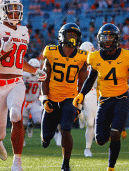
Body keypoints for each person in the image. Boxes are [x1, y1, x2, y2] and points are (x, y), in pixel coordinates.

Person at [0, 0, 47, 171]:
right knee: (0, 133)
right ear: (2, 12)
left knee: (16, 115)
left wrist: (35, 71)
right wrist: (1, 51)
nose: (15, 13)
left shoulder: (23, 31)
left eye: (17, 9)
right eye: (11, 10)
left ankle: (17, 161)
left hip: (16, 82)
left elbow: (18, 61)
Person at [73, 23, 129, 171]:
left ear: (117, 39)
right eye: (105, 37)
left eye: (111, 37)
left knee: (114, 133)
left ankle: (111, 167)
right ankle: (114, 127)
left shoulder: (126, 55)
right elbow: (90, 79)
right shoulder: (94, 57)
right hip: (104, 100)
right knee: (100, 140)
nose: (107, 40)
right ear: (99, 39)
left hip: (121, 98)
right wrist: (81, 94)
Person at [40, 23, 87, 171]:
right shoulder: (51, 51)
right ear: (62, 36)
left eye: (75, 35)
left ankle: (65, 164)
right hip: (53, 97)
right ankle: (46, 137)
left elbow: (82, 83)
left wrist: (80, 105)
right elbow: (44, 77)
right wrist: (45, 98)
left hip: (71, 97)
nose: (72, 38)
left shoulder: (82, 56)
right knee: (46, 137)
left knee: (66, 128)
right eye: (69, 35)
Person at [78, 41, 98, 157]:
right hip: (76, 91)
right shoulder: (76, 60)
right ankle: (80, 115)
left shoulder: (95, 61)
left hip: (90, 91)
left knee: (90, 123)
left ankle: (87, 148)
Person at [22, 58, 43, 144]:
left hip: (34, 101)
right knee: (23, 124)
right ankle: (22, 140)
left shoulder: (41, 75)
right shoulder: (24, 75)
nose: (35, 70)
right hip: (24, 101)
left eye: (37, 68)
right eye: (33, 67)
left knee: (38, 120)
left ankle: (31, 125)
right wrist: (23, 85)